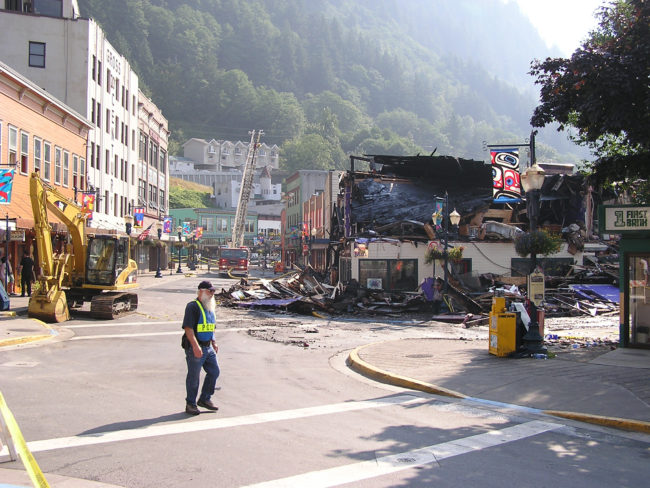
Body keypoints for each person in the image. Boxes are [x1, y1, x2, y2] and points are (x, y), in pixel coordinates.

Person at [182, 280, 220, 415]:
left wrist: (214, 341)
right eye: (210, 291)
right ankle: (190, 404)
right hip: (196, 348)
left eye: (213, 291)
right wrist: (195, 346)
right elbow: (188, 328)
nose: (212, 294)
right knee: (194, 377)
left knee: (214, 372)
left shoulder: (210, 306)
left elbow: (211, 326)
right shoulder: (193, 307)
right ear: (201, 291)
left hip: (208, 347)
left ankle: (205, 399)